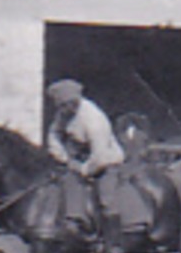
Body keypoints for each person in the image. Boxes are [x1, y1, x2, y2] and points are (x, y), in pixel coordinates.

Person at [45, 78, 125, 232]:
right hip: (78, 161)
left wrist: (82, 169)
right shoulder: (63, 114)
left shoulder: (93, 119)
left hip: (105, 163)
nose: (62, 110)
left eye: (66, 105)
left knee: (106, 200)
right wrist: (65, 158)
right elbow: (53, 135)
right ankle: (74, 220)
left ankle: (113, 246)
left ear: (75, 102)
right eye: (60, 106)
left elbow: (99, 155)